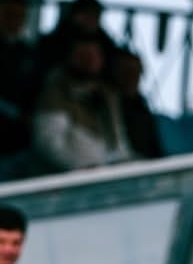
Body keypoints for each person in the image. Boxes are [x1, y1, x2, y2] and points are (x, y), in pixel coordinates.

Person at [32, 34, 134, 172]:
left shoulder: (107, 95)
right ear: (71, 57)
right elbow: (48, 143)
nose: (90, 61)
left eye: (95, 55)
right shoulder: (56, 93)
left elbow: (118, 141)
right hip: (71, 180)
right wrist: (81, 167)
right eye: (84, 55)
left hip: (108, 177)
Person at [0, 0, 38, 157]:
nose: (14, 20)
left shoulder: (28, 52)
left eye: (20, 16)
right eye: (9, 14)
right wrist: (17, 114)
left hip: (20, 140)